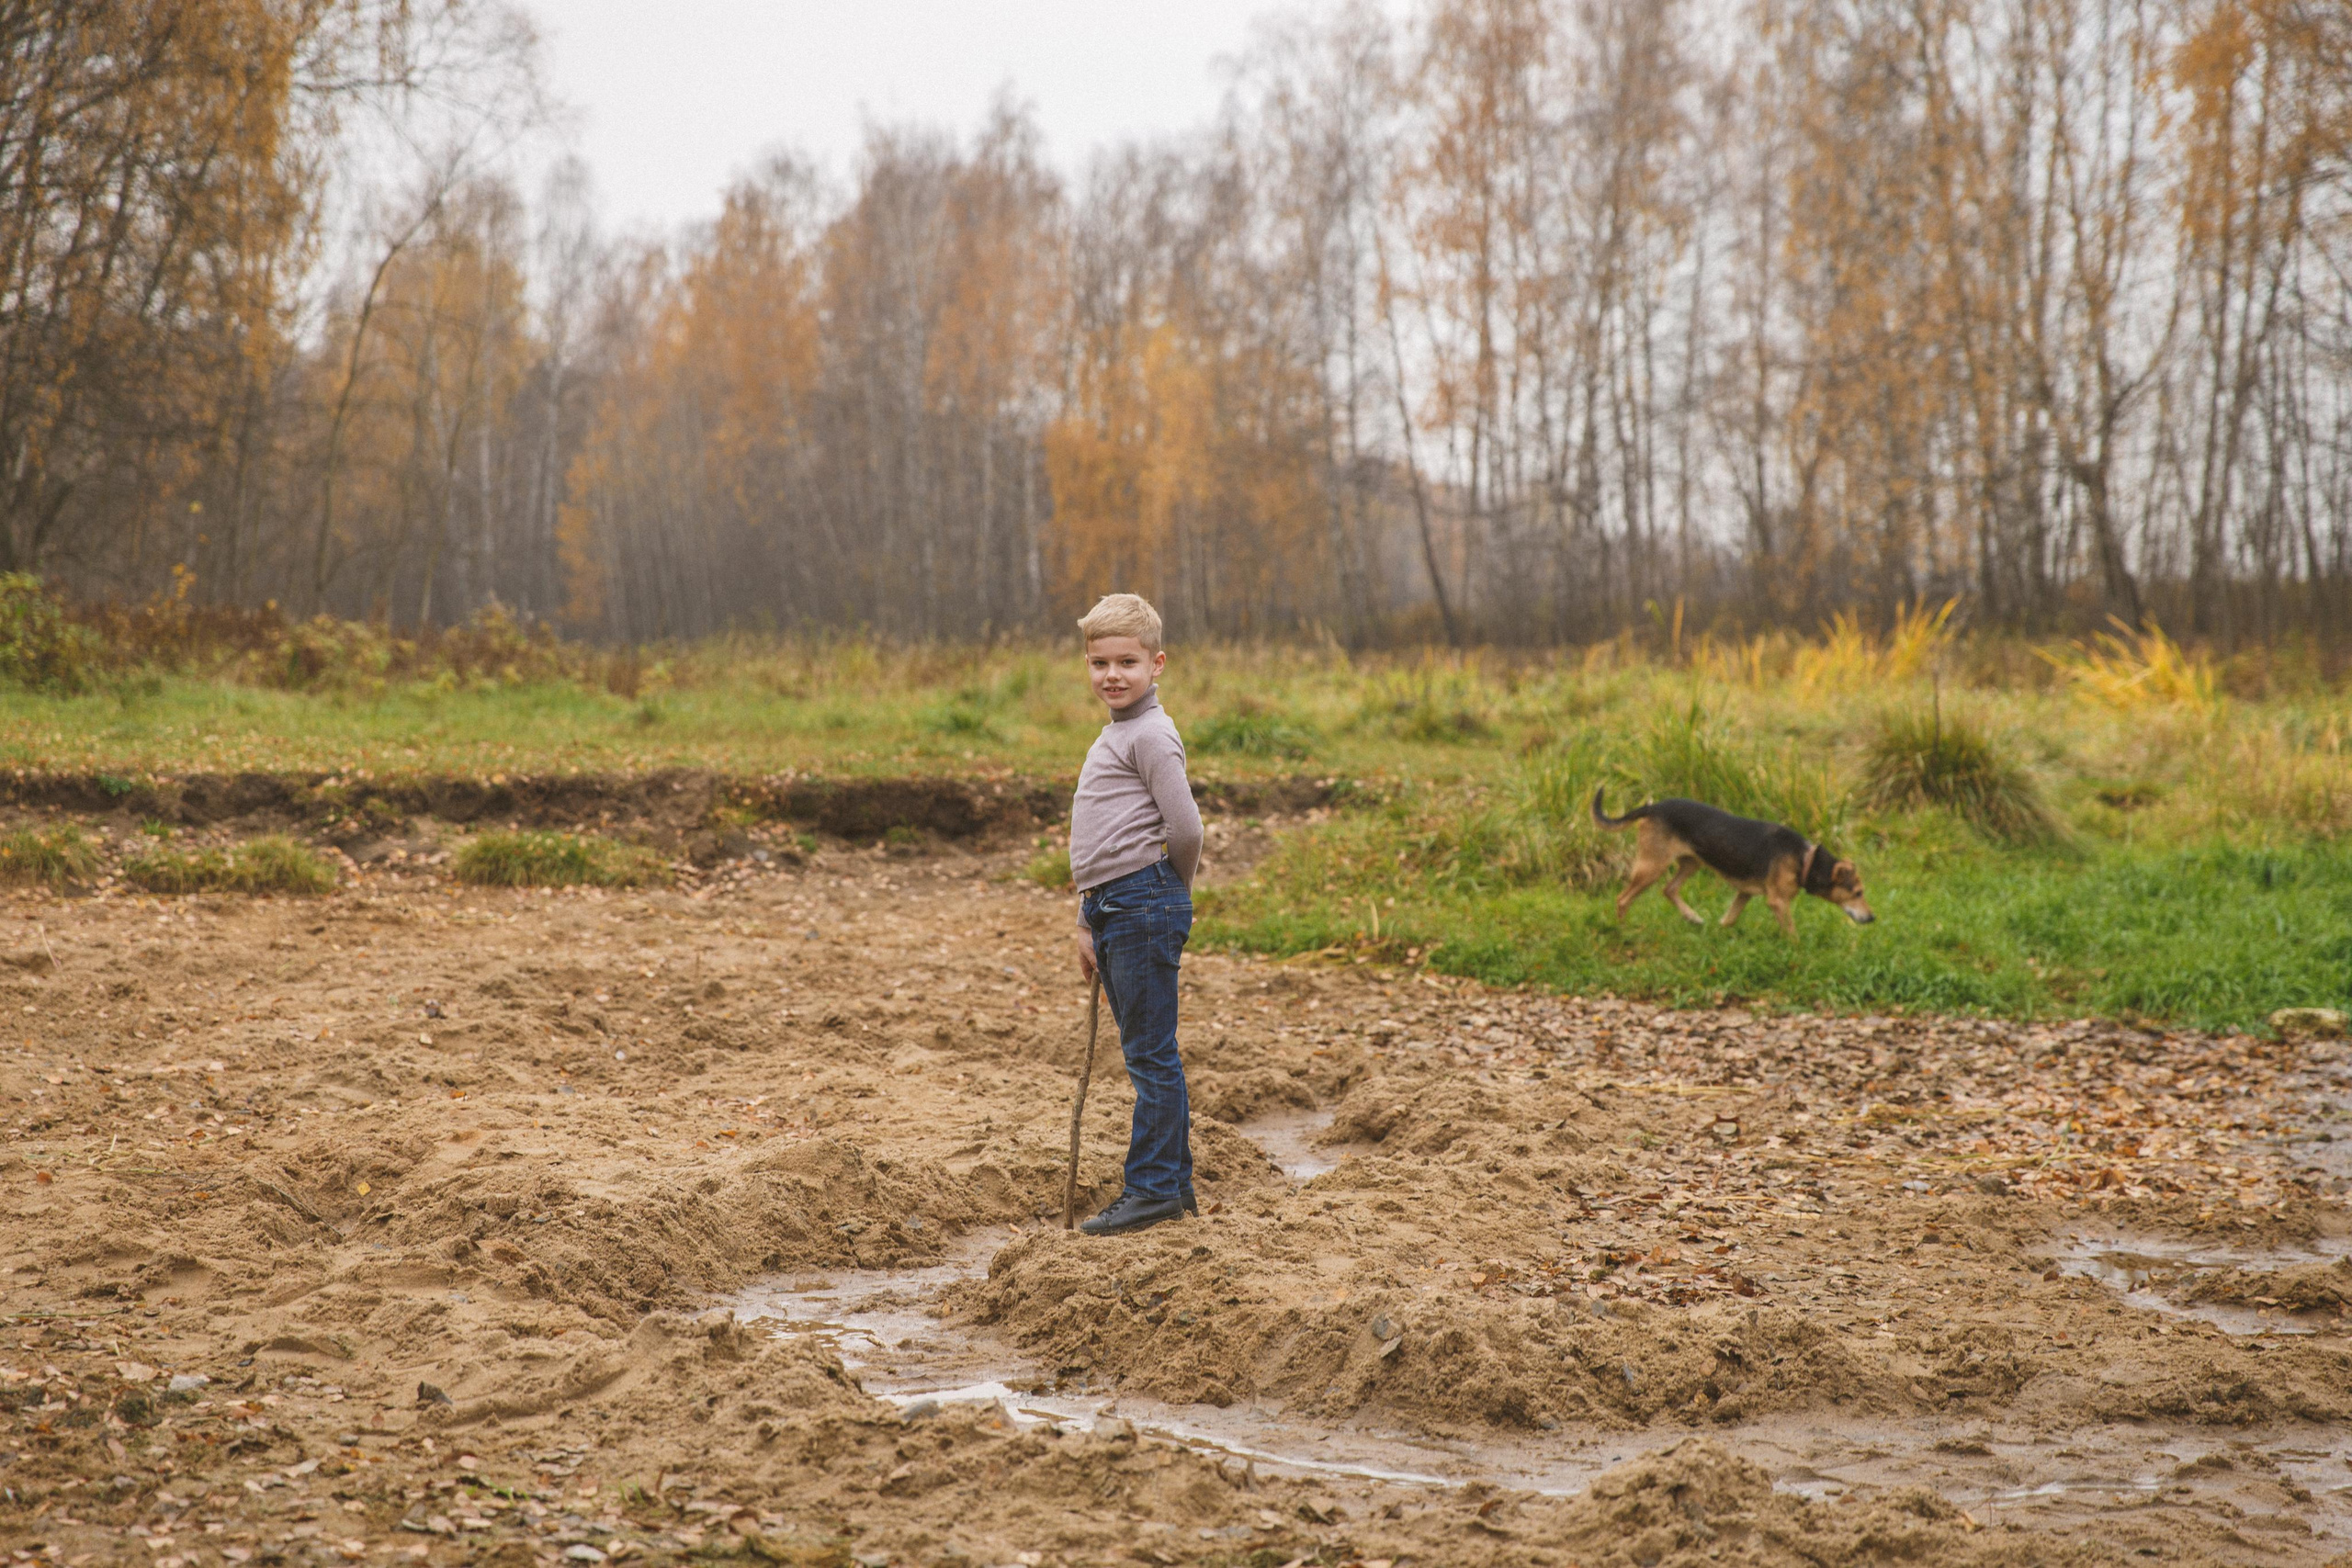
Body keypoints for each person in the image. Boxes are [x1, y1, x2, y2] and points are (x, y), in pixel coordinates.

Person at [1069, 592, 1204, 1236]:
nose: (1113, 674)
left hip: (1142, 901)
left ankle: (1152, 1189)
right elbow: (1101, 840)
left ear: (1158, 663)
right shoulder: (1118, 730)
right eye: (1100, 662)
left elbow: (1186, 829)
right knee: (1147, 1053)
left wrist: (1165, 893)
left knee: (1151, 1056)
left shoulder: (1151, 733)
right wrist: (1086, 919)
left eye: (1127, 660)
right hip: (1113, 905)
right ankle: (1173, 1187)